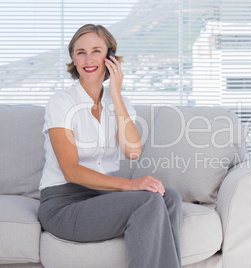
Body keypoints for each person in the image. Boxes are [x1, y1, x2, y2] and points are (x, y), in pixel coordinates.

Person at [37, 24, 182, 268]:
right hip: (63, 204)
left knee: (170, 198)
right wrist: (130, 186)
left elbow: (132, 151)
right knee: (147, 201)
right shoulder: (61, 102)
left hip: (102, 197)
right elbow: (71, 171)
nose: (88, 58)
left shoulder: (120, 101)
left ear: (110, 57)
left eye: (96, 50)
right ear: (72, 58)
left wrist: (115, 94)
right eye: (80, 52)